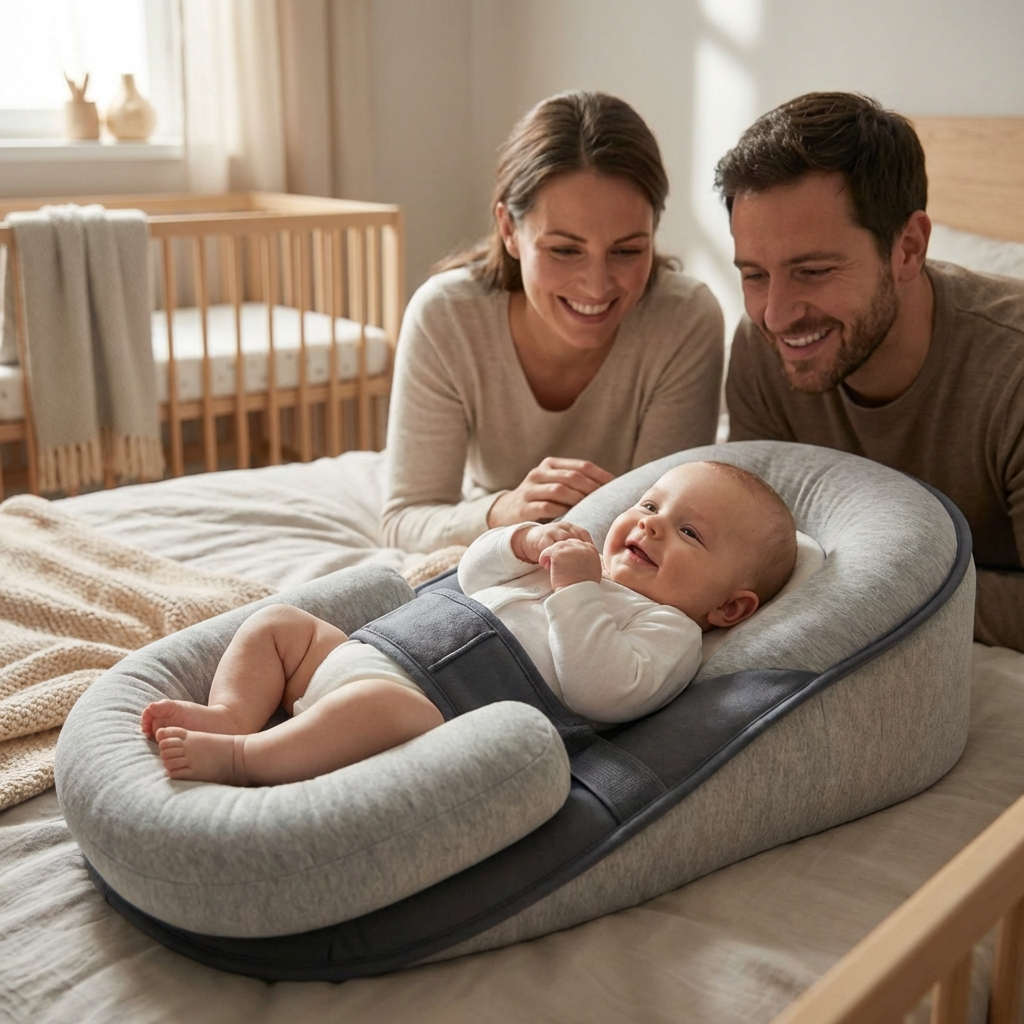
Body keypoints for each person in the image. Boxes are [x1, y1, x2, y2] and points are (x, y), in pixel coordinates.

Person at [143, 462, 796, 786]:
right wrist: (520, 543)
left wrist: (575, 590)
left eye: (687, 532)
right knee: (282, 623)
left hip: (426, 712)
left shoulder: (669, 631)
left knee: (375, 706)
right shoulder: (575, 557)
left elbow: (603, 689)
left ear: (729, 609)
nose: (651, 523)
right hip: (369, 652)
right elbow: (472, 578)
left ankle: (244, 757)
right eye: (651, 504)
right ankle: (233, 713)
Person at [716, 91, 1024, 652]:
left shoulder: (1012, 371)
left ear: (908, 248)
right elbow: (748, 557)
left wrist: (866, 592)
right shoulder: (762, 346)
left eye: (812, 270)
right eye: (755, 274)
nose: (777, 314)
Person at [380, 91, 724, 553]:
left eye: (627, 251)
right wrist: (506, 512)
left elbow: (662, 527)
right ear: (508, 230)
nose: (597, 286)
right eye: (564, 249)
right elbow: (405, 519)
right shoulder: (447, 318)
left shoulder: (684, 320)